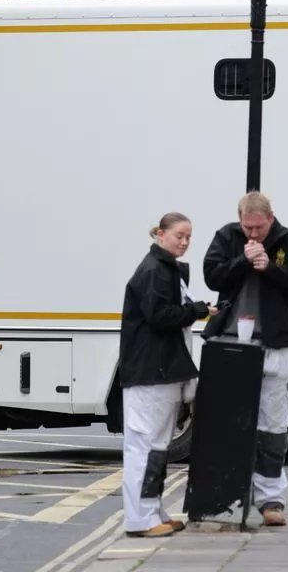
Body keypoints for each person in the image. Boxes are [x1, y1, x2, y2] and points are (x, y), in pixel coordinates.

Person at [202, 192, 288, 528]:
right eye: (247, 227)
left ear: (271, 218)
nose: (252, 234)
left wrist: (271, 267)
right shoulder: (226, 237)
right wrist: (242, 261)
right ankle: (224, 496)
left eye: (258, 228)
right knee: (227, 424)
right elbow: (212, 277)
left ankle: (271, 499)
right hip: (231, 340)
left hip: (275, 343)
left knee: (273, 425)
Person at [118, 212, 217, 538]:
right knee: (145, 447)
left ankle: (153, 512)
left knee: (156, 447)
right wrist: (198, 310)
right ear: (161, 234)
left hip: (160, 371)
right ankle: (140, 519)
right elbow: (160, 315)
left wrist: (196, 309)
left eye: (189, 236)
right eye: (179, 235)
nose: (185, 241)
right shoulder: (153, 271)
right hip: (151, 373)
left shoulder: (166, 270)